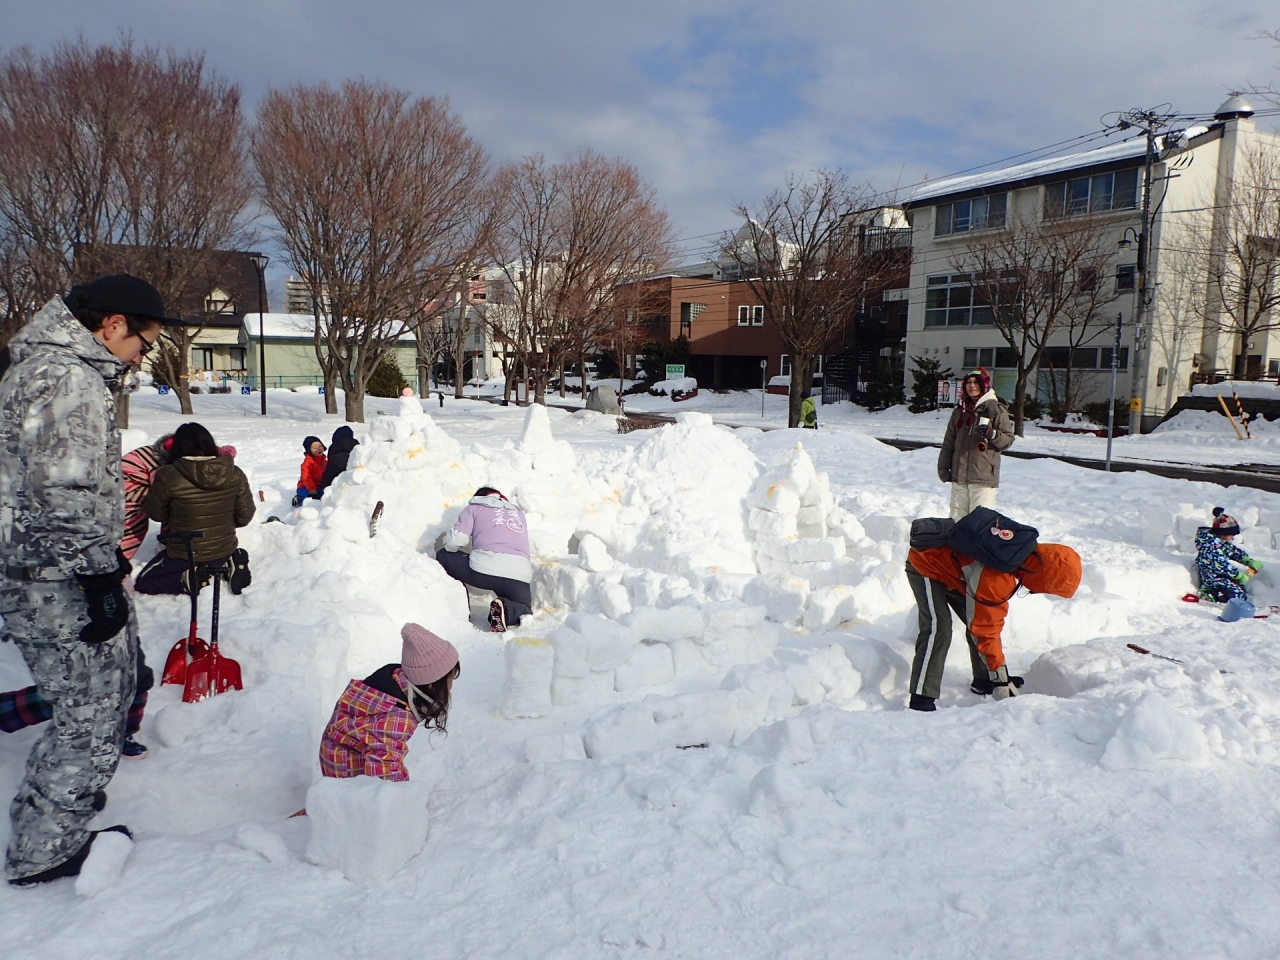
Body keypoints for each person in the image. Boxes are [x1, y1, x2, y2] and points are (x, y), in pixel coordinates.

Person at [0, 274, 174, 885]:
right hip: (54, 581)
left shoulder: (49, 369)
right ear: (112, 325)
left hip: (52, 570)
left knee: (98, 702)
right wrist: (99, 580)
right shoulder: (65, 377)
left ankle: (49, 829)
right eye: (142, 343)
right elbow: (62, 490)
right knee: (91, 715)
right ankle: (46, 849)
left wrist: (105, 566)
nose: (141, 358)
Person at [905, 536, 1082, 712]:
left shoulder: (1017, 553)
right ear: (1042, 575)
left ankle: (984, 680)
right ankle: (922, 696)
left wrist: (997, 676)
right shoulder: (997, 576)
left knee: (975, 620)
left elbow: (984, 622)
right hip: (925, 563)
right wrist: (1001, 679)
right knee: (939, 628)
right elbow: (986, 629)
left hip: (956, 573)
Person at [319, 623, 460, 781]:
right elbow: (385, 773)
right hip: (349, 780)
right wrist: (407, 792)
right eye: (450, 680)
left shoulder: (390, 683)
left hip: (336, 758)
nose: (450, 687)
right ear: (432, 684)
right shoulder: (398, 717)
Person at [134, 422, 254, 596]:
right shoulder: (235, 473)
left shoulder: (168, 475)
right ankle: (231, 560)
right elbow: (245, 516)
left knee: (144, 581)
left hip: (185, 554)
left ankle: (187, 578)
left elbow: (156, 514)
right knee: (217, 555)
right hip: (224, 548)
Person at [436, 487, 533, 632]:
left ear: (479, 497)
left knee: (444, 555)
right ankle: (506, 610)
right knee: (524, 608)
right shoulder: (518, 513)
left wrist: (447, 545)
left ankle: (459, 605)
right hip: (519, 577)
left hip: (483, 571)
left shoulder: (474, 507)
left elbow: (456, 540)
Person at [938, 367, 1014, 521]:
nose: (972, 386)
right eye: (969, 382)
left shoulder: (996, 410)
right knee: (957, 521)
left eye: (976, 382)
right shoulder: (960, 411)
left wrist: (992, 434)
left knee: (979, 523)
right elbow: (949, 442)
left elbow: (1008, 440)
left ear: (984, 385)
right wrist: (943, 467)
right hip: (959, 477)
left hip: (982, 478)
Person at [1195, 507, 1262, 603]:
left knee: (1240, 589)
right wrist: (1238, 575)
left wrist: (1247, 560)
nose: (1233, 537)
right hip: (1212, 578)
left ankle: (1222, 594)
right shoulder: (1210, 547)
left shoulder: (1220, 542)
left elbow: (1232, 550)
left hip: (1222, 576)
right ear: (1222, 533)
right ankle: (1209, 594)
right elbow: (1221, 566)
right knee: (1236, 595)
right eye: (1231, 534)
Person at [317, 425, 359, 495]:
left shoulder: (334, 448)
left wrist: (322, 487)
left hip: (336, 481)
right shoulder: (357, 446)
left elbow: (329, 472)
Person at [293, 435, 328, 506]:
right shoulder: (307, 463)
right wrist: (311, 489)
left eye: (320, 446)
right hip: (306, 486)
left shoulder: (325, 461)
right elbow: (306, 477)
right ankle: (299, 500)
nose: (318, 449)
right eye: (314, 448)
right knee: (305, 495)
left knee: (324, 495)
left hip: (319, 486)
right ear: (309, 450)